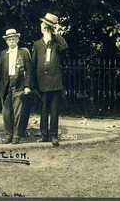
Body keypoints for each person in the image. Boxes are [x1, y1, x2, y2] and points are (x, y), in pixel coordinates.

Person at [0, 29, 32, 144]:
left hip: (19, 84)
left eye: (13, 39)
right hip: (6, 85)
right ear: (6, 42)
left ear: (17, 39)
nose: (11, 42)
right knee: (6, 112)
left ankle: (17, 135)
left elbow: (29, 71)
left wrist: (27, 86)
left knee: (18, 111)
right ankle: (8, 135)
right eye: (9, 40)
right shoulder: (4, 54)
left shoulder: (23, 53)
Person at [32, 13, 68, 146]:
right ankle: (43, 135)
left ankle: (53, 135)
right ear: (41, 30)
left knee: (54, 110)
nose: (47, 31)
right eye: (45, 29)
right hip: (42, 82)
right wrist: (33, 83)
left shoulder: (57, 43)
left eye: (49, 29)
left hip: (55, 82)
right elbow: (33, 64)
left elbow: (65, 47)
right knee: (43, 109)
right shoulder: (37, 44)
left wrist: (56, 33)